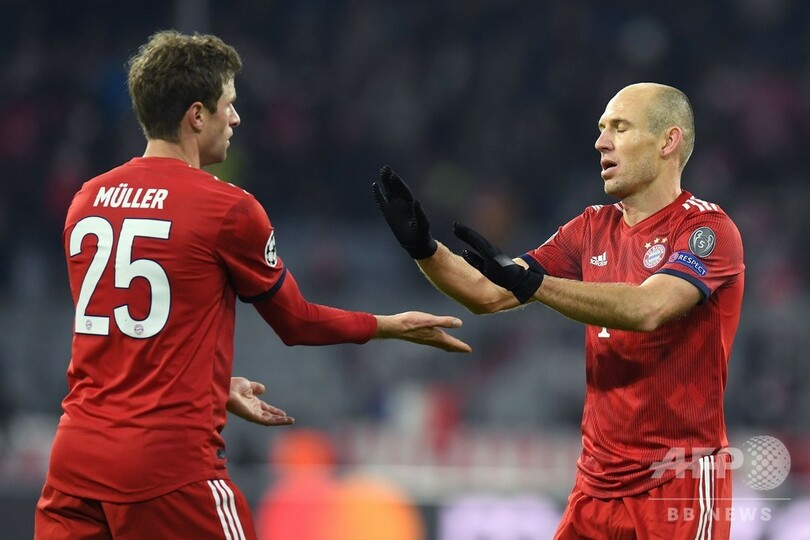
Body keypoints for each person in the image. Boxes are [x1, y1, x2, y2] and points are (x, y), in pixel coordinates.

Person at [35, 30, 470, 540]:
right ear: (197, 115)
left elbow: (122, 348)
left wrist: (211, 389)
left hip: (75, 462)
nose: (237, 118)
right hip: (166, 466)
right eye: (229, 104)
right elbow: (296, 322)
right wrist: (390, 325)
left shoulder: (87, 200)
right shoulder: (227, 209)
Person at [374, 82, 744, 539]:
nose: (601, 142)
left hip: (677, 485)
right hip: (596, 486)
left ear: (668, 141)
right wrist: (424, 249)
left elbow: (651, 307)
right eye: (601, 129)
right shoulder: (590, 228)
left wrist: (537, 284)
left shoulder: (707, 228)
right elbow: (487, 294)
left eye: (620, 128)